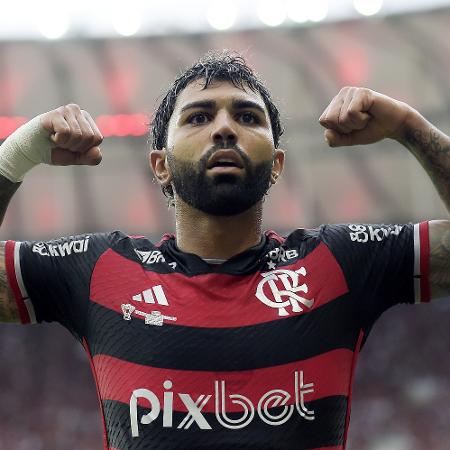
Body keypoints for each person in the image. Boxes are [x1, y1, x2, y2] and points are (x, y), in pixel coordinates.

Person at [0, 51, 448, 450]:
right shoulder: (100, 270)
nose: (225, 129)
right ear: (161, 166)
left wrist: (410, 127)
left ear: (277, 165)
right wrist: (14, 155)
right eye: (198, 117)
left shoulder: (340, 263)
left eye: (248, 118)